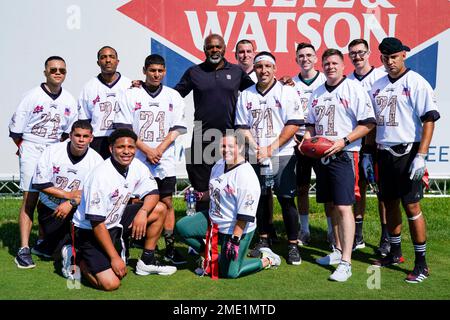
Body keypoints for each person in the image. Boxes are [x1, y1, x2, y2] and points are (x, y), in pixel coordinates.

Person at [302, 48, 376, 281]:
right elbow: (311, 124)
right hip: (322, 156)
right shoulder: (316, 92)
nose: (330, 67)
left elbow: (368, 124)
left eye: (335, 63)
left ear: (343, 66)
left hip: (345, 155)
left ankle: (347, 262)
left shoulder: (354, 89)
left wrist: (344, 141)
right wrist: (307, 139)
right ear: (321, 66)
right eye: (327, 63)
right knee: (330, 206)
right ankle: (335, 251)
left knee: (345, 207)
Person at [370, 37, 440, 283]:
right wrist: (369, 155)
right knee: (389, 204)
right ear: (381, 58)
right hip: (383, 151)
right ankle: (395, 253)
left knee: (412, 207)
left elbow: (429, 120)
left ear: (403, 56)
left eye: (394, 57)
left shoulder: (416, 82)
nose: (390, 62)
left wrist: (421, 156)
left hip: (408, 151)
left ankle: (422, 263)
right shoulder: (376, 85)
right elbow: (371, 124)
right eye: (386, 58)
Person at [71, 128, 176, 291]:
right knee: (112, 283)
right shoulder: (100, 176)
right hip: (90, 231)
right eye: (121, 147)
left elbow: (153, 192)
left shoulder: (136, 165)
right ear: (111, 149)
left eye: (131, 147)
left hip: (115, 223)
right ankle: (78, 260)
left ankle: (147, 261)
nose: (126, 151)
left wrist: (143, 212)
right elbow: (96, 223)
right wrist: (114, 258)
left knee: (160, 208)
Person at [175, 131, 281, 279]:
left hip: (236, 228)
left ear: (241, 148)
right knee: (182, 227)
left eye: (231, 146)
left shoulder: (246, 176)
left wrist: (235, 239)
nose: (226, 150)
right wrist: (199, 196)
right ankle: (208, 256)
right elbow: (214, 192)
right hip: (214, 220)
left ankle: (267, 260)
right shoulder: (219, 164)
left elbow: (245, 215)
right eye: (223, 146)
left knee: (230, 273)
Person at [114, 54, 187, 265]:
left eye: (160, 71)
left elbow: (177, 129)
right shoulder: (130, 95)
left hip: (164, 159)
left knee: (167, 202)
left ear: (165, 72)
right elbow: (125, 129)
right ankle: (127, 246)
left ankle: (170, 248)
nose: (156, 75)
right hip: (138, 159)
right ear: (144, 70)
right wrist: (147, 150)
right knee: (133, 201)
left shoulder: (173, 96)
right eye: (152, 70)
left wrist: (159, 149)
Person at [235, 51, 305, 265]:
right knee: (261, 197)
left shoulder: (287, 92)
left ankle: (293, 244)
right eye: (259, 67)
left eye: (268, 66)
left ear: (275, 69)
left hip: (282, 154)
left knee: (286, 198)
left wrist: (271, 148)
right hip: (256, 153)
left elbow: (293, 124)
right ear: (254, 70)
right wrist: (257, 148)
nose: (263, 71)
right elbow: (241, 127)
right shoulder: (246, 94)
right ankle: (264, 240)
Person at [9, 56, 78, 269]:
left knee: (52, 195)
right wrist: (25, 149)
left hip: (54, 149)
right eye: (53, 69)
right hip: (32, 146)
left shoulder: (69, 99)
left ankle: (44, 241)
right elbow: (16, 131)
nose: (58, 73)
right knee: (30, 197)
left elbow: (68, 133)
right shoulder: (31, 96)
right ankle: (23, 248)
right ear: (45, 72)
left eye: (62, 70)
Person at [174, 34, 254, 212]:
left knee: (231, 182)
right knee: (202, 184)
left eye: (218, 47)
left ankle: (229, 221)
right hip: (202, 134)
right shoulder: (194, 72)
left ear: (224, 49)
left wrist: (282, 83)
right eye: (210, 47)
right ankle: (203, 226)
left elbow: (257, 92)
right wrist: (145, 87)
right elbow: (173, 96)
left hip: (230, 137)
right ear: (204, 49)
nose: (214, 50)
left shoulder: (236, 72)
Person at [30, 120, 103, 277]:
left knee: (79, 246)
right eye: (77, 135)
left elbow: (96, 192)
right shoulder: (52, 151)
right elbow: (40, 183)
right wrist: (67, 195)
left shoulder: (96, 160)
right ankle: (49, 244)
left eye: (85, 136)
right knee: (56, 252)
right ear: (70, 135)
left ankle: (65, 248)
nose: (81, 140)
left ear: (91, 138)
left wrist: (71, 202)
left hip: (77, 210)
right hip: (51, 209)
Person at [347, 38, 390, 256]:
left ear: (369, 52)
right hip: (357, 142)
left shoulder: (380, 77)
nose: (358, 56)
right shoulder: (347, 80)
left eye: (361, 52)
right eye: (353, 53)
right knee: (358, 190)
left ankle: (386, 236)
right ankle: (358, 234)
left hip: (379, 142)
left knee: (381, 191)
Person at [292, 43, 327, 246]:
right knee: (302, 187)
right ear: (296, 60)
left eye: (309, 55)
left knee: (328, 191)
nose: (305, 59)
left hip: (322, 142)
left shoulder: (325, 80)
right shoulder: (290, 84)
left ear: (315, 58)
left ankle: (332, 231)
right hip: (298, 141)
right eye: (301, 56)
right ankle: (304, 229)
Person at [78, 46, 132, 159]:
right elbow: (84, 121)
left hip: (122, 138)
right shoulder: (89, 87)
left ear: (117, 61)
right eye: (103, 57)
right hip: (98, 140)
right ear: (98, 62)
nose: (108, 60)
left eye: (111, 57)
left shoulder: (129, 85)